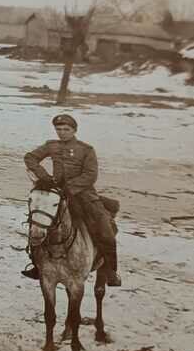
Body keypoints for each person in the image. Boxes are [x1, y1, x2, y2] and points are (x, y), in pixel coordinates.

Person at [22, 114, 123, 286]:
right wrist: (45, 177)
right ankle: (37, 265)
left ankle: (110, 271)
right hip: (57, 193)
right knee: (40, 222)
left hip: (83, 195)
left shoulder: (86, 150)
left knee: (104, 226)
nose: (62, 133)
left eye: (66, 130)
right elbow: (30, 158)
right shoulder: (51, 145)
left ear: (74, 130)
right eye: (58, 129)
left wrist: (70, 187)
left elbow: (90, 175)